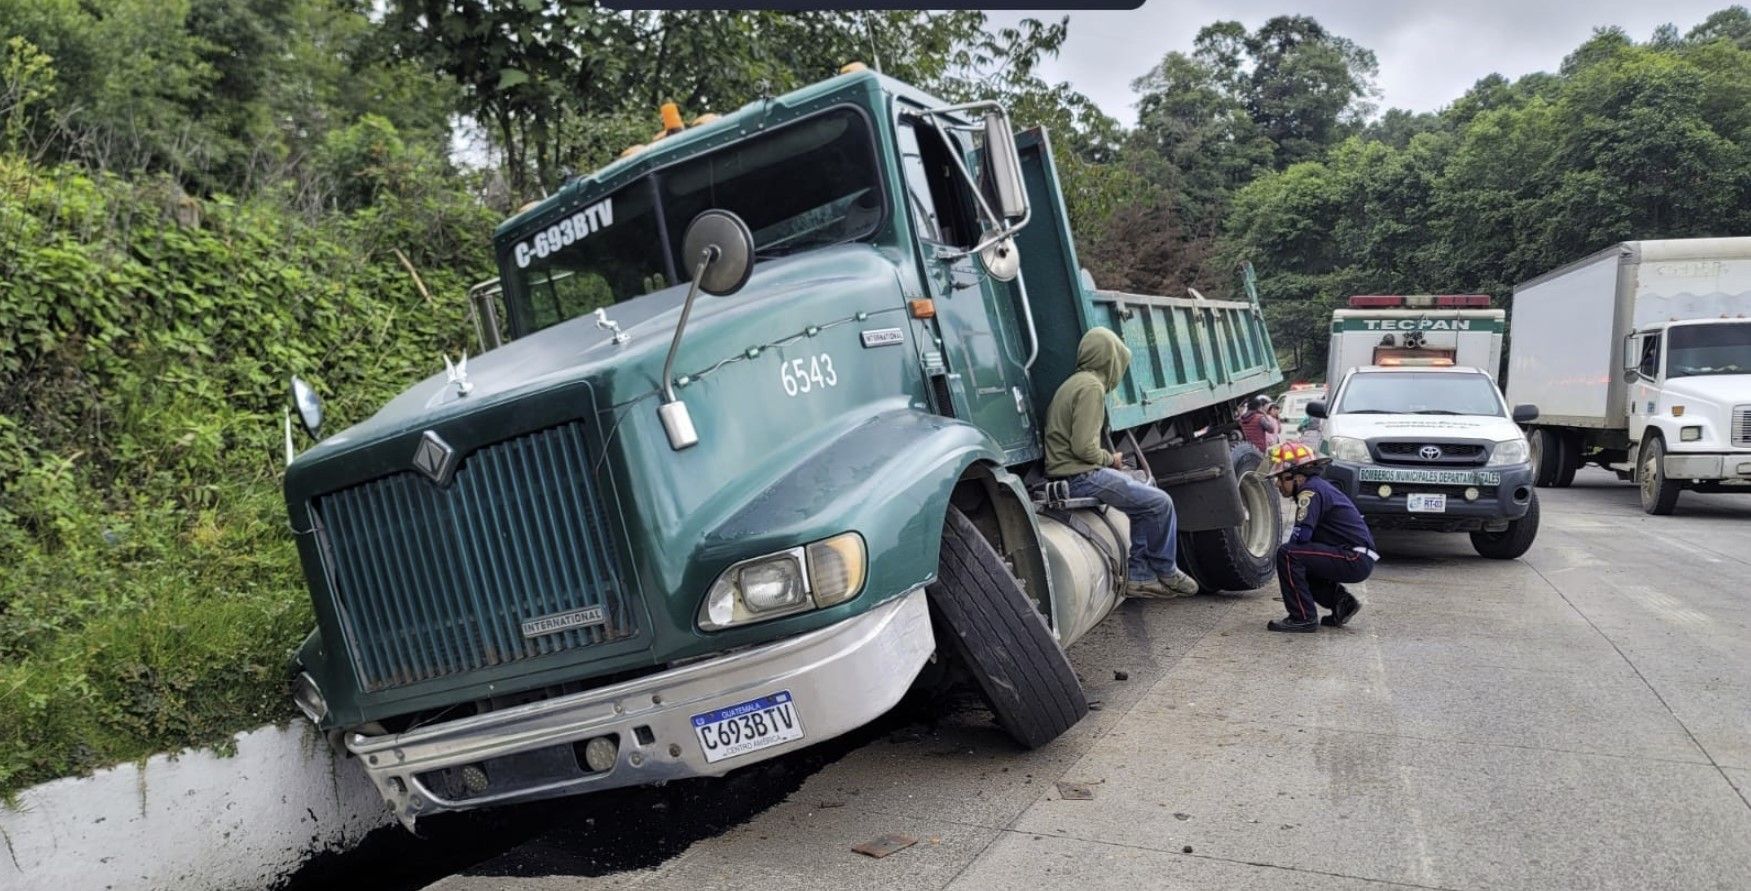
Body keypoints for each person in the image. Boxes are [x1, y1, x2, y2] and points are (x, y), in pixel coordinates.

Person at [1044, 328, 1200, 599]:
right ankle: (1165, 570)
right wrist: (1111, 459)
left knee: (1143, 505)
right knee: (1159, 502)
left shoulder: (1074, 383)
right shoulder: (1091, 387)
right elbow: (1083, 448)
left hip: (1068, 472)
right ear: (1110, 359)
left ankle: (1140, 576)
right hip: (1079, 475)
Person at [1265, 442, 1376, 633]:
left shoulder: (1310, 492)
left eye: (1280, 478)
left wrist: (1285, 568)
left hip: (1354, 557)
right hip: (1359, 556)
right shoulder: (1317, 487)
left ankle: (1302, 617)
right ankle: (1343, 603)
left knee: (1288, 555)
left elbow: (1301, 537)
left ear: (1297, 477)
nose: (1277, 484)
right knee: (1298, 562)